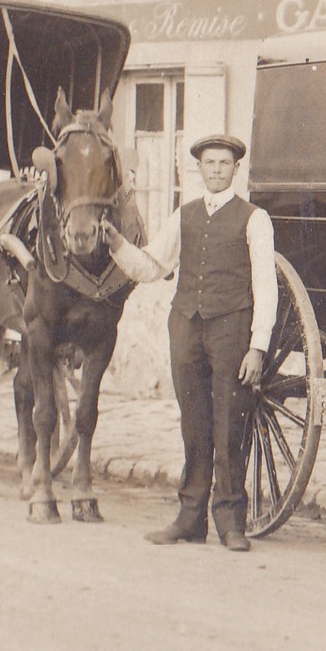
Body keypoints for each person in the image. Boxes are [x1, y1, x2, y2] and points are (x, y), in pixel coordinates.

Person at [101, 134, 277, 552]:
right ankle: (189, 519)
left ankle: (231, 522)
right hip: (185, 327)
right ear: (198, 169)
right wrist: (118, 247)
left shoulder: (255, 219)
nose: (216, 170)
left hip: (232, 329)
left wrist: (258, 346)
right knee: (193, 425)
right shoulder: (184, 215)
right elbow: (153, 265)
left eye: (224, 163)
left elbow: (265, 286)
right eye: (209, 163)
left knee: (229, 423)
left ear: (236, 170)